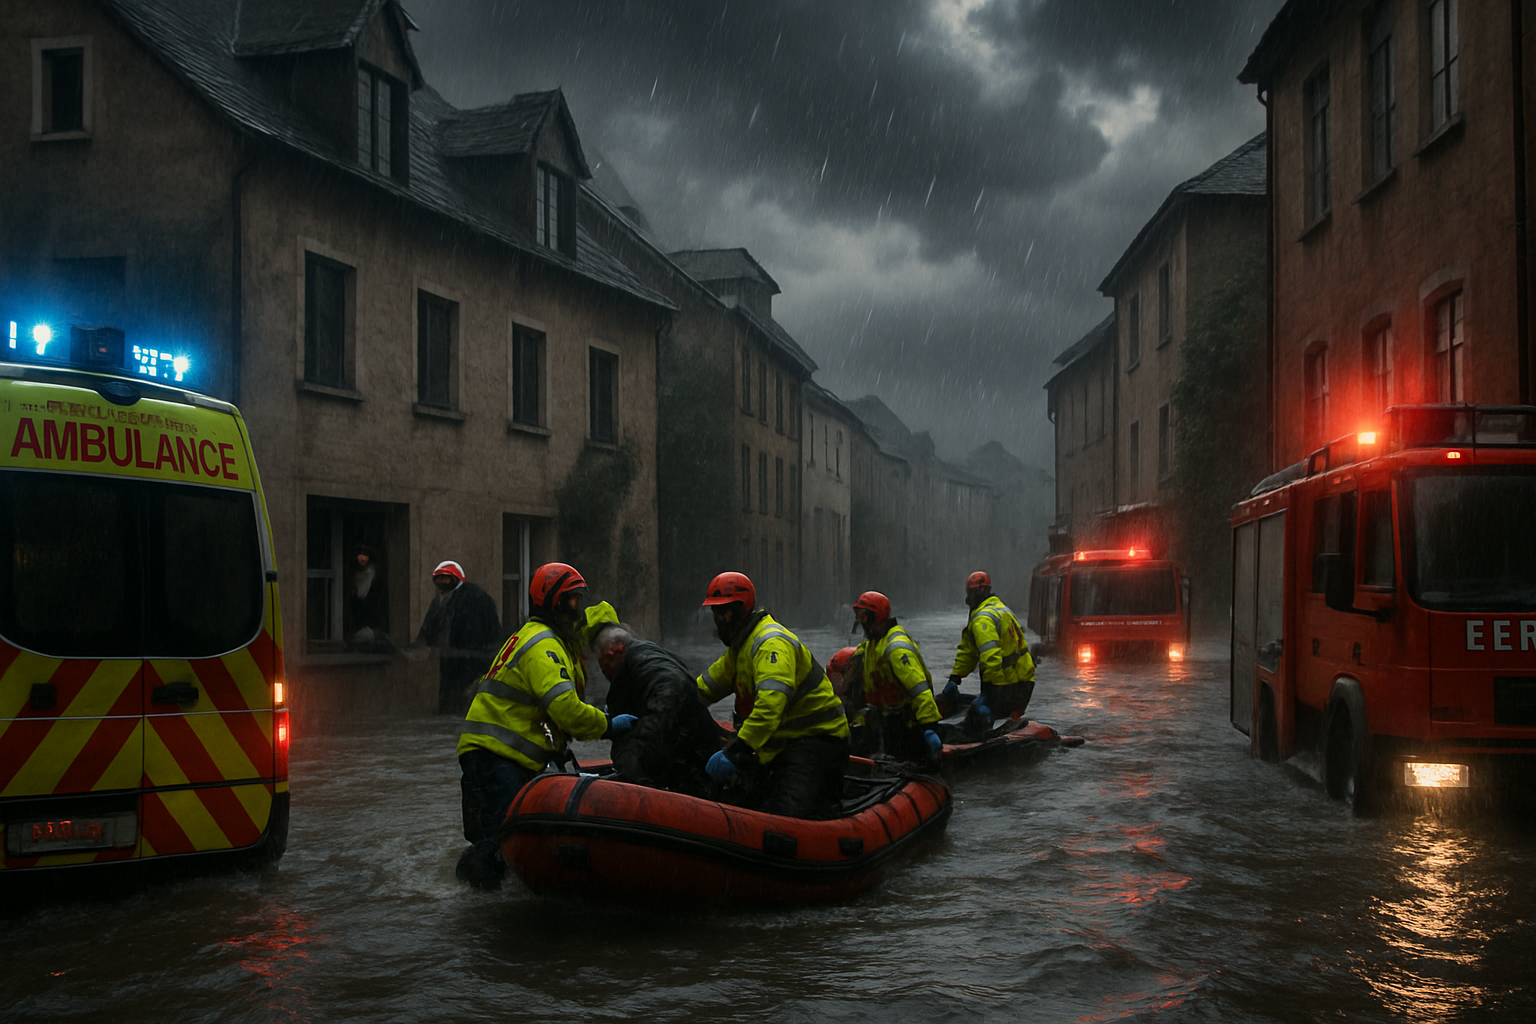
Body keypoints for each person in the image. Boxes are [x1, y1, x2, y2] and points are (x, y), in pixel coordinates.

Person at [455, 562, 630, 889]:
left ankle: (480, 900)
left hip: (495, 756)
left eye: (580, 600)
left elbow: (591, 622)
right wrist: (608, 725)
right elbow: (565, 709)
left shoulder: (540, 637)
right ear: (552, 604)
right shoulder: (544, 645)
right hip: (496, 759)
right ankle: (478, 910)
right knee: (499, 842)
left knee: (498, 841)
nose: (577, 608)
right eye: (571, 601)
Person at [694, 571, 850, 819]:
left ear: (736, 612)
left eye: (722, 613)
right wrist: (675, 698)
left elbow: (770, 706)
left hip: (816, 743)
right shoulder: (739, 649)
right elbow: (705, 688)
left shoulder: (771, 643)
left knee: (786, 817)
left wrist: (736, 751)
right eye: (716, 614)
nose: (718, 621)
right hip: (779, 746)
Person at [593, 623, 725, 796]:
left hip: (692, 759)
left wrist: (635, 757)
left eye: (603, 662)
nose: (603, 670)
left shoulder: (647, 664)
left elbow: (671, 689)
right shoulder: (650, 657)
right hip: (692, 751)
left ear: (616, 651)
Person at [849, 591, 943, 763]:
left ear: (877, 617)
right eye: (859, 617)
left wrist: (930, 727)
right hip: (889, 722)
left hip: (910, 726)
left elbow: (919, 690)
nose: (861, 623)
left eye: (864, 617)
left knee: (912, 764)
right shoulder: (870, 645)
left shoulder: (896, 649)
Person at [942, 571, 1035, 724]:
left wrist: (992, 694)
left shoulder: (982, 619)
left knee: (976, 719)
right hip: (1022, 681)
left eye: (971, 593)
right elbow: (968, 652)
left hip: (1008, 683)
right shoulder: (1000, 609)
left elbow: (991, 657)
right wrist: (955, 677)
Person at [416, 560, 504, 714]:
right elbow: (430, 624)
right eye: (440, 579)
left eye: (447, 579)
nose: (443, 582)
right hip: (452, 656)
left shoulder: (473, 597)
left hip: (472, 656)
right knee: (452, 694)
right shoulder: (441, 599)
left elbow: (479, 628)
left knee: (466, 693)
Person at [347, 546, 390, 649]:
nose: (363, 559)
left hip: (369, 618)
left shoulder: (372, 575)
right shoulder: (357, 575)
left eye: (365, 556)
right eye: (360, 556)